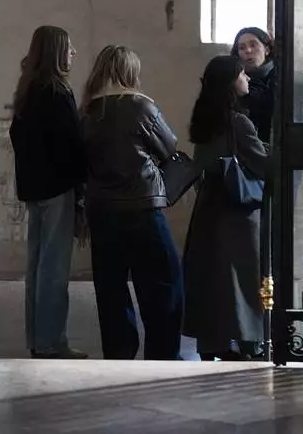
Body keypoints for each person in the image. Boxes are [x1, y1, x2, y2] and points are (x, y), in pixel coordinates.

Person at [81, 45, 184, 360]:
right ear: (130, 73)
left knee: (110, 287)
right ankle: (162, 354)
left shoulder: (87, 111)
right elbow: (170, 147)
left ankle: (119, 353)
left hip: (101, 209)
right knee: (163, 283)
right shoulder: (141, 107)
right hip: (142, 206)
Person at [182, 55, 271, 361]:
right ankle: (249, 341)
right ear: (230, 82)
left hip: (210, 205)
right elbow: (263, 165)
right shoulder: (239, 122)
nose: (247, 78)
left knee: (212, 279)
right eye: (242, 74)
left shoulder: (205, 119)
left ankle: (212, 343)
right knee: (243, 280)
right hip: (237, 211)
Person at [9, 26, 88, 359]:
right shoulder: (57, 91)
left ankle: (37, 339)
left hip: (34, 187)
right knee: (54, 269)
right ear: (57, 51)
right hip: (57, 188)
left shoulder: (28, 89)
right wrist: (81, 189)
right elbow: (72, 144)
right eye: (69, 48)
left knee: (37, 267)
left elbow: (17, 137)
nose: (74, 53)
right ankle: (51, 342)